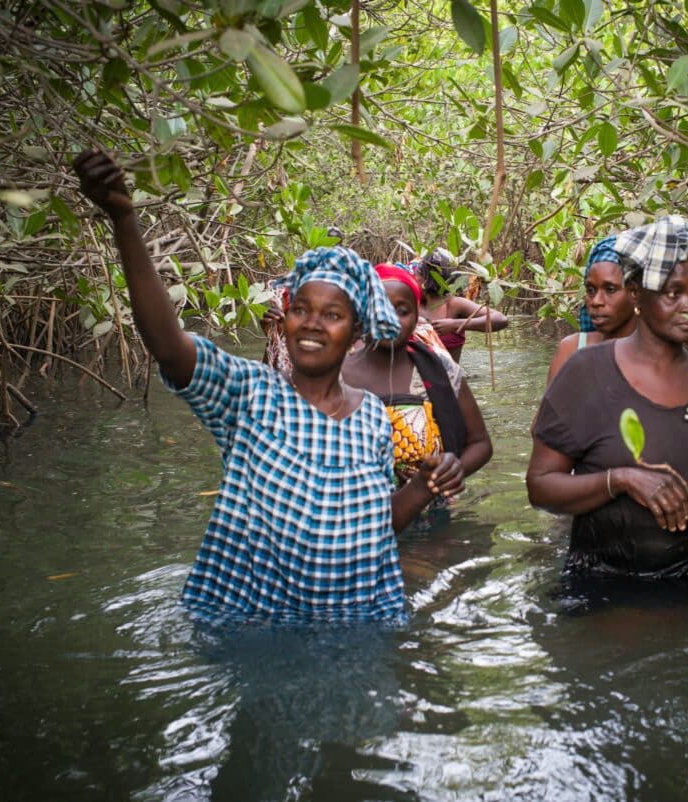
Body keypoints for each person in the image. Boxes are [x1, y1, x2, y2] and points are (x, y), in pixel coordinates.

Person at [73, 150, 463, 625]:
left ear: (356, 329)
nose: (311, 325)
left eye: (332, 314)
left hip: (351, 625)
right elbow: (169, 347)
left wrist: (424, 485)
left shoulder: (369, 421)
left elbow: (373, 529)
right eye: (301, 309)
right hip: (252, 626)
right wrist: (124, 218)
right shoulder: (250, 394)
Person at [526, 216, 688, 581]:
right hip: (607, 585)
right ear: (635, 293)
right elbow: (541, 487)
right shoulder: (584, 373)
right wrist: (622, 480)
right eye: (672, 293)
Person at [341, 263, 493, 487]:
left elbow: (480, 444)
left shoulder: (440, 369)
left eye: (402, 311)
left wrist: (448, 472)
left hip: (431, 505)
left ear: (418, 317)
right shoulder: (335, 375)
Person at [544, 235, 641, 385]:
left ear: (635, 292)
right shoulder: (571, 350)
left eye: (610, 289)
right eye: (591, 290)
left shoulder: (658, 355)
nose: (596, 301)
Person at [412, 249, 508, 362]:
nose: (412, 278)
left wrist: (456, 324)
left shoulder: (454, 304)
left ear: (426, 279)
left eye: (416, 274)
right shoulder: (411, 304)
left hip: (451, 378)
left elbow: (501, 319)